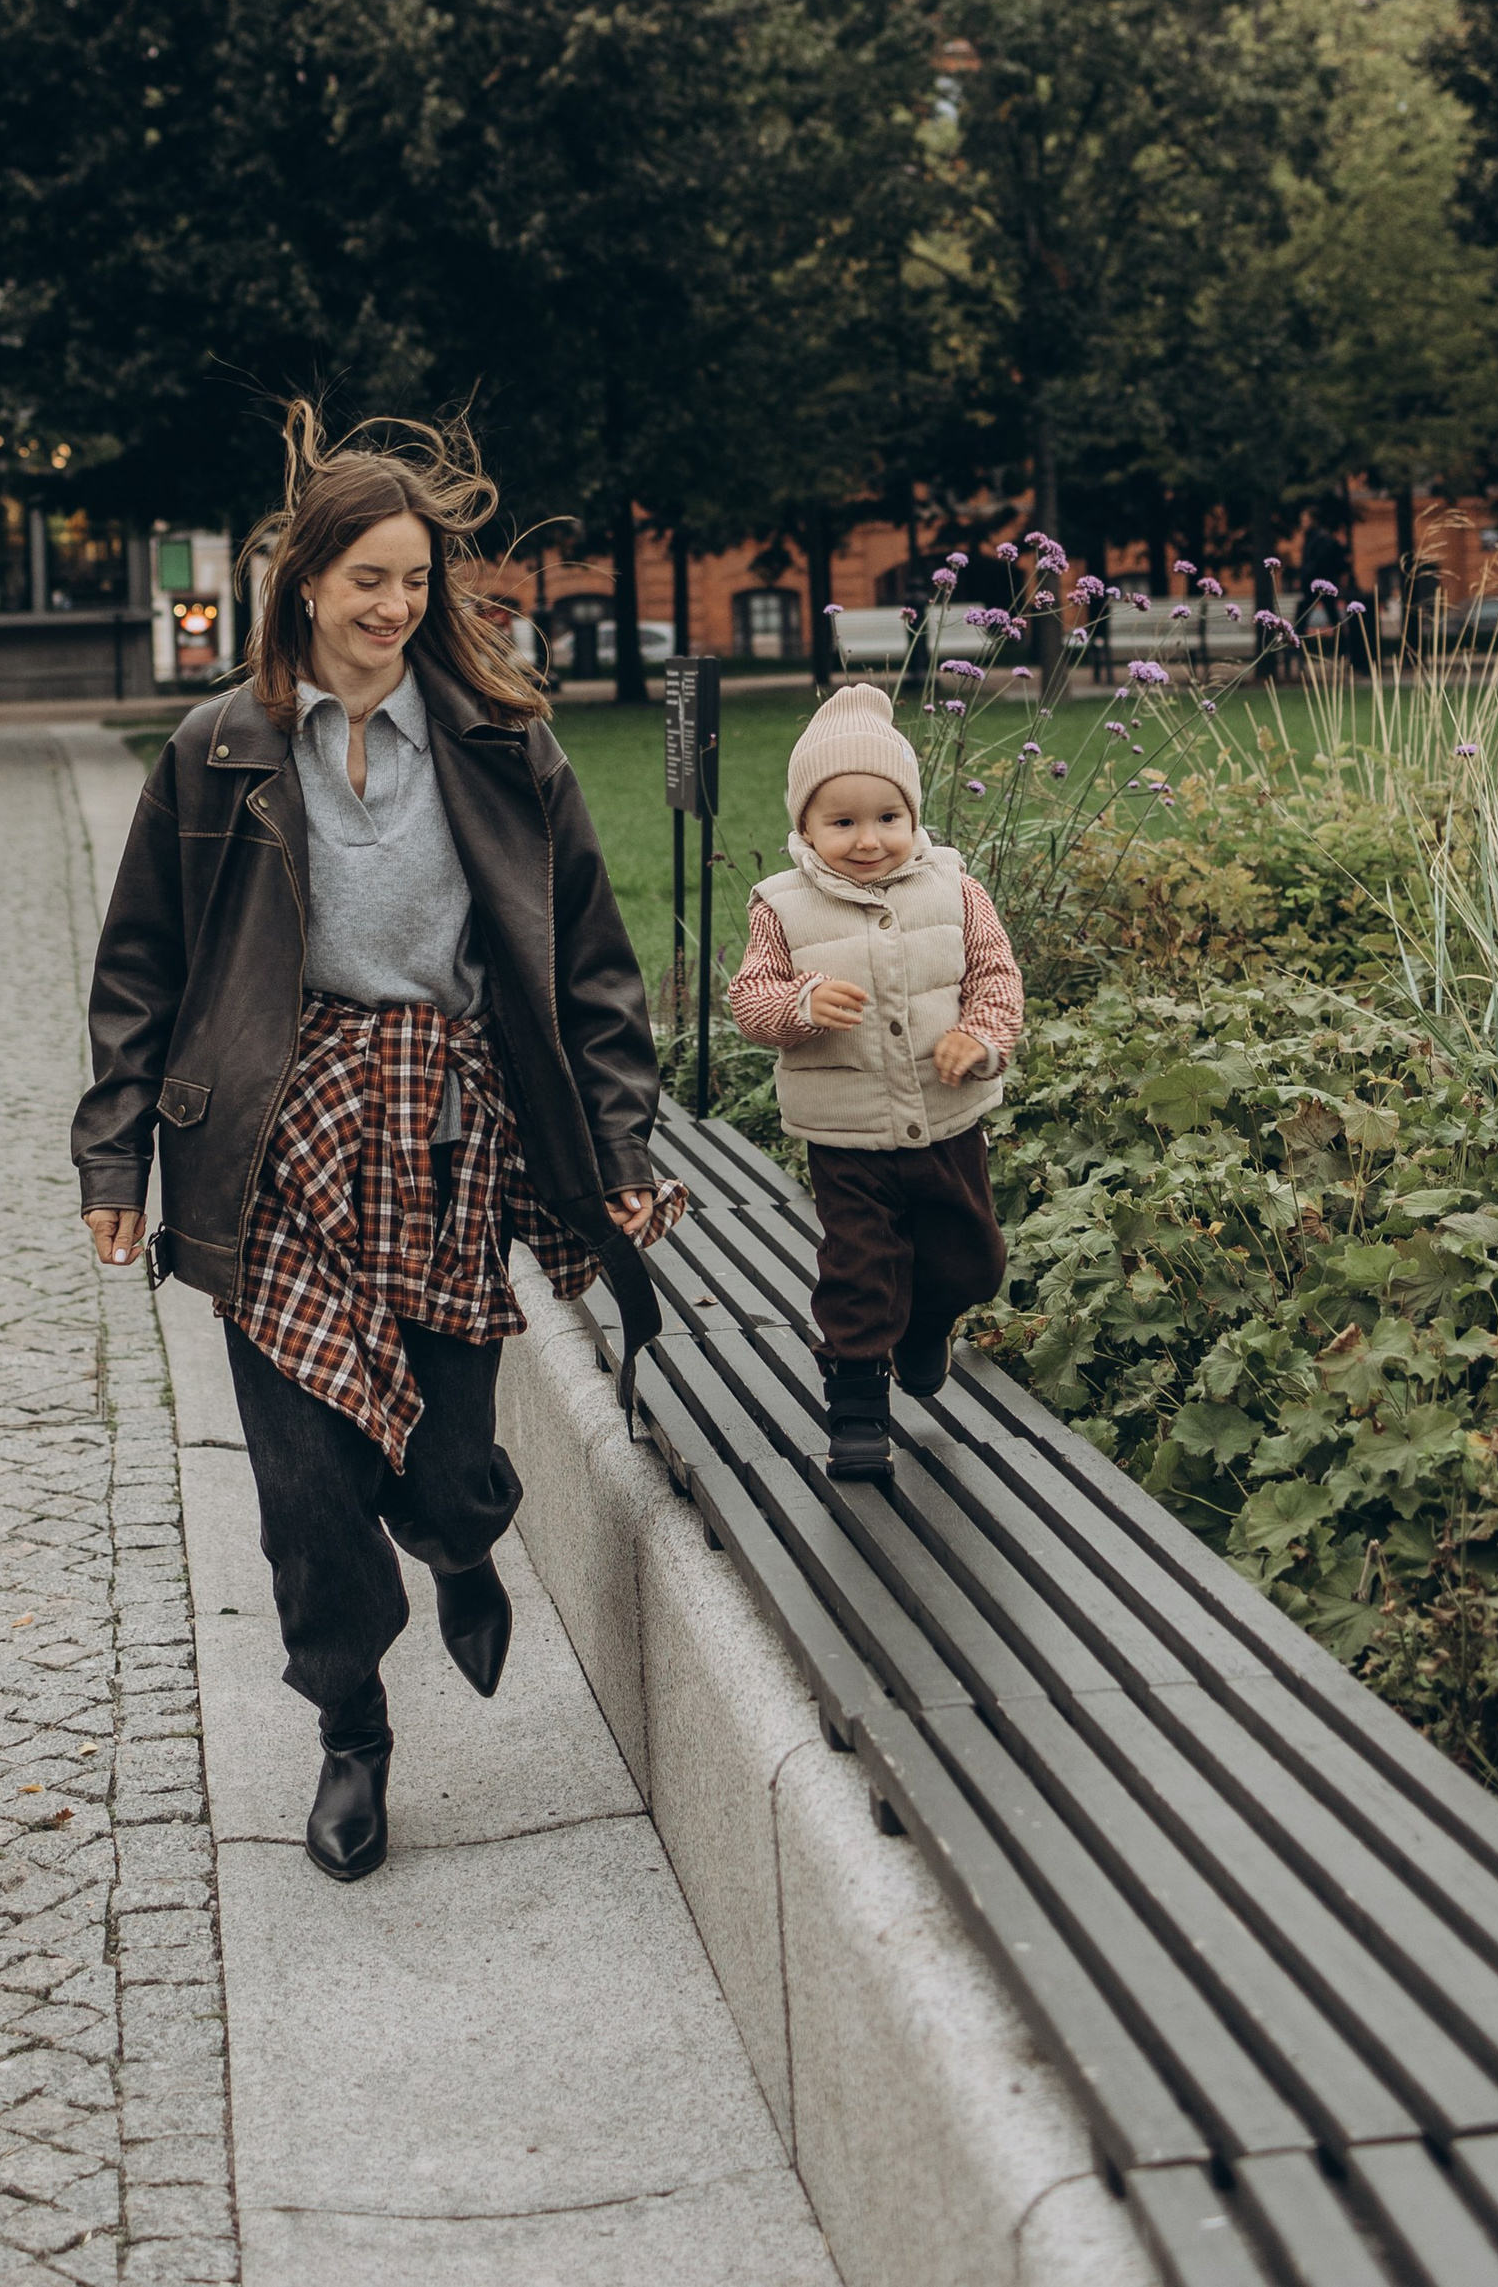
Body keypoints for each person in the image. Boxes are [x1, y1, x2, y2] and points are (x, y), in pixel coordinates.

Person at [72, 407, 679, 1885]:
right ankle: (352, 1727)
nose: (396, 607)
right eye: (370, 581)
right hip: (275, 1133)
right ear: (305, 585)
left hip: (447, 1126)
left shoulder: (500, 743)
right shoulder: (217, 749)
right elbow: (140, 965)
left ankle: (462, 1542)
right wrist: (114, 1157)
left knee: (452, 1460)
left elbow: (589, 962)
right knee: (305, 1485)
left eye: (416, 580)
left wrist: (620, 1141)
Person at [725, 682, 1018, 1477]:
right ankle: (856, 1407)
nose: (867, 840)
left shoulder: (957, 890)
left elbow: (995, 977)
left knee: (972, 1260)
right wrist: (804, 1001)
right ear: (805, 825)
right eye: (841, 821)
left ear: (914, 815)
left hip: (948, 1120)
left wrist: (980, 1038)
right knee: (859, 1270)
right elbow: (750, 999)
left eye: (887, 818)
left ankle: (925, 1326)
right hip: (848, 1133)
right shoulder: (780, 906)